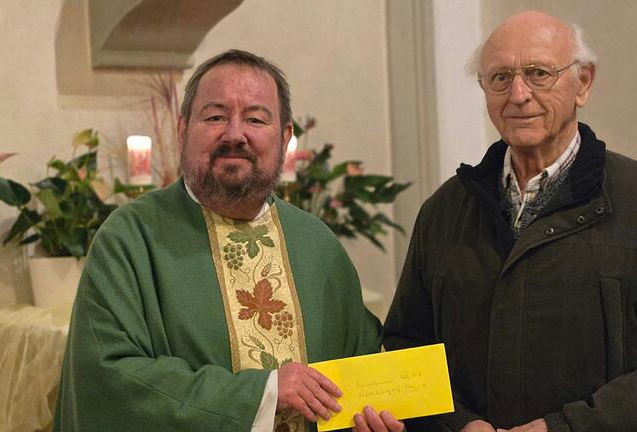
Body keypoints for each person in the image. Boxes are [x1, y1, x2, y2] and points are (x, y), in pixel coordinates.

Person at [383, 11, 637, 432]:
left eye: (539, 73)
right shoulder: (445, 210)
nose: (518, 94)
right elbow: (405, 349)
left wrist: (566, 427)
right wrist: (461, 425)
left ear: (584, 82)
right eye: (500, 78)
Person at [54, 49, 403, 432]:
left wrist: (372, 417)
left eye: (255, 118)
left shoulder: (316, 243)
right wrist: (262, 393)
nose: (235, 134)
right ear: (183, 129)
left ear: (285, 137)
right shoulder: (130, 238)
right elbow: (109, 379)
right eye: (215, 116)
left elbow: (362, 363)